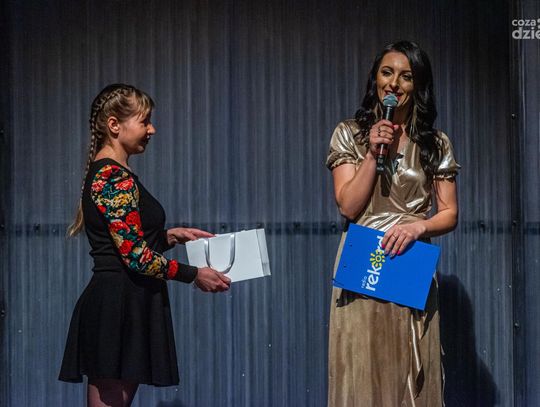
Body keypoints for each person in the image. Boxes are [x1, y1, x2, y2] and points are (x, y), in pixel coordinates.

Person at [59, 84, 231, 407]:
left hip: (127, 303)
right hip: (118, 307)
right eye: (145, 121)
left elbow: (127, 243)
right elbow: (135, 257)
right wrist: (194, 275)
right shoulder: (112, 176)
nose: (152, 130)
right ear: (114, 125)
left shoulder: (115, 173)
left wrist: (170, 236)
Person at [326, 41, 460, 406]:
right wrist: (373, 153)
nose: (394, 83)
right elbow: (349, 206)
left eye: (406, 76)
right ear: (375, 78)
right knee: (361, 363)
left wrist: (419, 227)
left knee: (408, 365)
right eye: (387, 73)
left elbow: (449, 212)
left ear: (418, 86)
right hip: (363, 259)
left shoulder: (435, 142)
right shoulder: (349, 133)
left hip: (409, 258)